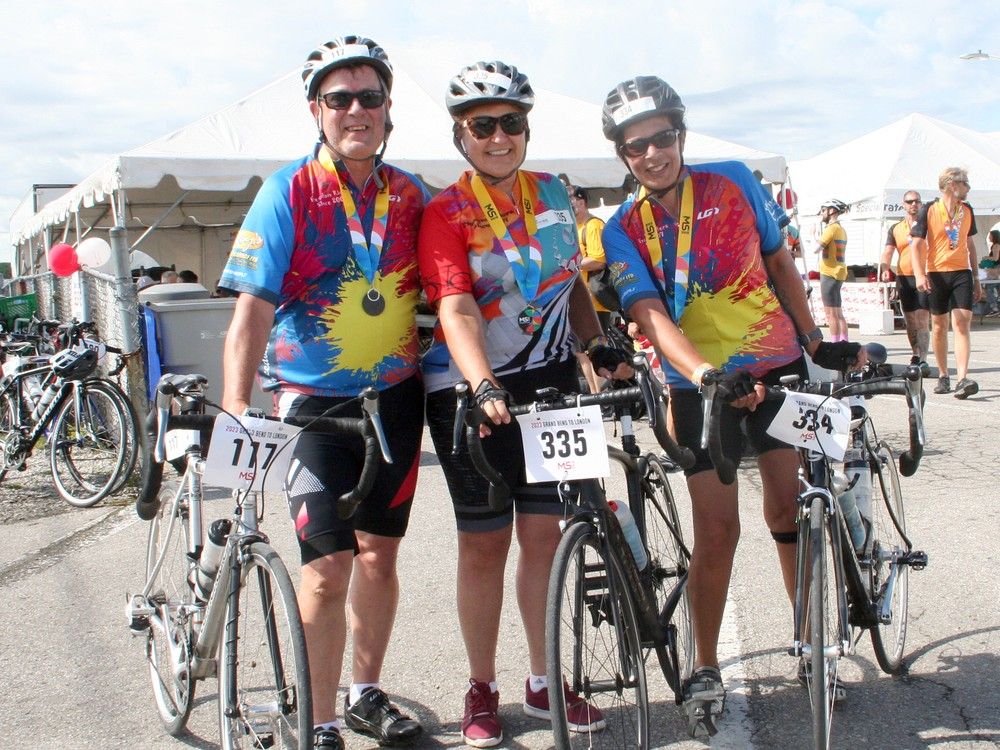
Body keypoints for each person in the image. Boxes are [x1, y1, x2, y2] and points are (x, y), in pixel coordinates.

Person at [598, 76, 863, 729]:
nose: (653, 153)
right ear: (623, 157)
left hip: (775, 368)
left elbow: (779, 263)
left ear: (680, 134)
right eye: (637, 147)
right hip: (699, 386)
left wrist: (813, 341)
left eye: (662, 138)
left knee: (790, 508)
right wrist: (706, 372)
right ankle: (706, 665)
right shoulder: (622, 228)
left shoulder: (734, 181)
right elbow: (650, 312)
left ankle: (812, 645)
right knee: (717, 529)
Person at [218, 36, 426, 750]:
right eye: (340, 99)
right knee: (328, 568)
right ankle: (321, 717)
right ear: (317, 110)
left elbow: (451, 291)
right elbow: (250, 307)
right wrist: (238, 406)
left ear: (388, 106)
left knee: (380, 557)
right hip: (313, 407)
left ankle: (365, 693)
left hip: (396, 400)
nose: (356, 110)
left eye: (370, 97)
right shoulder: (289, 191)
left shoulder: (409, 194)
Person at [417, 61, 630, 748]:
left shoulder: (553, 196)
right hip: (471, 388)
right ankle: (482, 685)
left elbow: (569, 286)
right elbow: (454, 305)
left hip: (552, 386)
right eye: (484, 126)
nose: (499, 137)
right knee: (484, 547)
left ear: (526, 128)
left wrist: (596, 347)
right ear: (462, 136)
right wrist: (482, 384)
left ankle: (544, 679)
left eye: (511, 123)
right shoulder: (446, 212)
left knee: (545, 538)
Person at [911, 167, 983, 398]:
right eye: (965, 183)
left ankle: (963, 378)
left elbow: (970, 245)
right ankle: (943, 374)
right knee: (940, 326)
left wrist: (976, 277)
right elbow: (916, 245)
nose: (968, 188)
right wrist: (920, 274)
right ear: (953, 185)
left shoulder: (967, 210)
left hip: (962, 271)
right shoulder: (929, 210)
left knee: (962, 323)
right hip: (937, 273)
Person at [567, 184, 612, 395]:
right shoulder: (573, 227)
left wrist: (570, 263)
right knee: (580, 353)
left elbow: (599, 259)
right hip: (578, 301)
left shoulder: (593, 226)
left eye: (571, 199)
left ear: (582, 201)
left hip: (594, 300)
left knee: (594, 350)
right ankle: (596, 397)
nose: (569, 204)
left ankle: (603, 396)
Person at [880, 191, 929, 365]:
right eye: (910, 202)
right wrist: (885, 268)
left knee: (922, 319)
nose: (913, 204)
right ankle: (915, 353)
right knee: (910, 320)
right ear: (904, 205)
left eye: (917, 201)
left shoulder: (927, 226)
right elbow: (888, 251)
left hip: (924, 276)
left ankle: (923, 358)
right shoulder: (896, 228)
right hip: (904, 276)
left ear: (921, 204)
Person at [815, 199, 850, 341]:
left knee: (830, 313)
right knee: (838, 312)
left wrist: (813, 234)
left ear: (831, 211)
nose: (822, 214)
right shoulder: (841, 229)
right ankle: (844, 341)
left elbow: (816, 248)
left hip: (829, 273)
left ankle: (836, 343)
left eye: (823, 210)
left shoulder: (831, 229)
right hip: (839, 272)